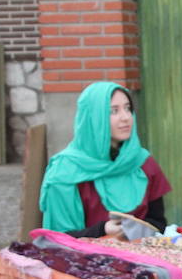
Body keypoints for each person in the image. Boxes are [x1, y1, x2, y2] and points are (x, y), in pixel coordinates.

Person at [39, 81, 171, 238]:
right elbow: (58, 239)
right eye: (113, 111)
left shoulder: (142, 162)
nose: (125, 117)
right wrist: (103, 231)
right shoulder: (64, 171)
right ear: (93, 118)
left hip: (141, 257)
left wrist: (133, 234)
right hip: (82, 260)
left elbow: (158, 224)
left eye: (128, 108)